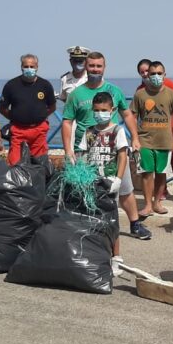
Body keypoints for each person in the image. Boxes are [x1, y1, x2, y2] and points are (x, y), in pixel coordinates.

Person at [61, 51, 143, 235]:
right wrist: (68, 150)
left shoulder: (115, 91)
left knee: (125, 189)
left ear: (104, 67)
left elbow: (127, 114)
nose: (95, 69)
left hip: (113, 150)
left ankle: (135, 223)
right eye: (92, 66)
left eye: (99, 66)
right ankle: (87, 225)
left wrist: (135, 137)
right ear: (86, 67)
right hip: (85, 149)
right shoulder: (76, 94)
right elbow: (66, 121)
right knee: (85, 189)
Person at [78, 91, 151, 244]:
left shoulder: (118, 131)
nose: (100, 114)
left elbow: (123, 155)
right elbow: (84, 153)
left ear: (111, 111)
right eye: (96, 110)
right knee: (96, 206)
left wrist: (118, 178)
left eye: (104, 110)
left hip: (112, 175)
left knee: (118, 204)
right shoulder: (89, 131)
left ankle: (126, 233)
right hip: (94, 176)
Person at [130, 61, 173, 217]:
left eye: (159, 73)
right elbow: (132, 116)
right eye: (152, 73)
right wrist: (134, 138)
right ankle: (147, 205)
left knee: (161, 173)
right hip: (144, 140)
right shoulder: (140, 94)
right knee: (146, 173)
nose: (156, 76)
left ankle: (157, 202)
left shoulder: (172, 94)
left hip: (164, 140)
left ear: (164, 75)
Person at [137, 58, 173, 199]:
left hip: (171, 129)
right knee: (156, 161)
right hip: (152, 132)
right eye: (142, 72)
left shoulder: (168, 84)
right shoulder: (140, 90)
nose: (145, 74)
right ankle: (162, 190)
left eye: (146, 70)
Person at [0, 54, 56, 165]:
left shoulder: (45, 85)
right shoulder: (11, 85)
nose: (29, 69)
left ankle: (39, 182)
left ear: (37, 67)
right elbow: (3, 109)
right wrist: (17, 117)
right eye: (26, 66)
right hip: (18, 131)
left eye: (32, 66)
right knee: (15, 162)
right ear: (21, 67)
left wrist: (40, 116)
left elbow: (52, 107)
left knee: (40, 163)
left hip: (39, 130)